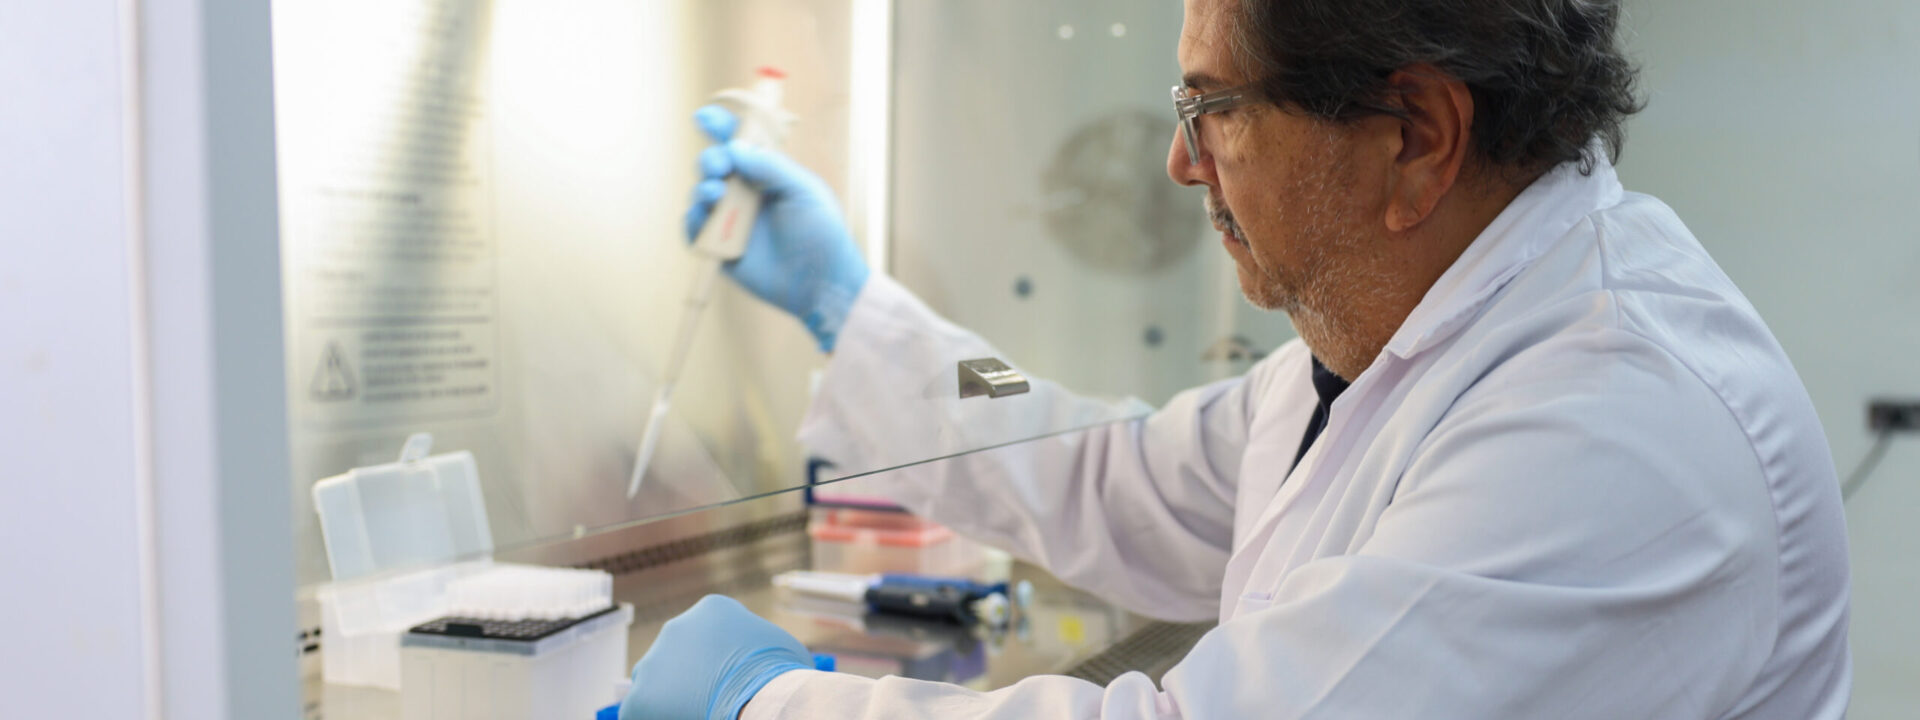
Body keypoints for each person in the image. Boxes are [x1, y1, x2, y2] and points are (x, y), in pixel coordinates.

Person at [620, 0, 1852, 717]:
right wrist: (853, 310)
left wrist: (768, 703)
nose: (1182, 162)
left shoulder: (1612, 422)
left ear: (1416, 135)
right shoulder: (1386, 345)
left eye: (1213, 110)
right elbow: (1095, 450)